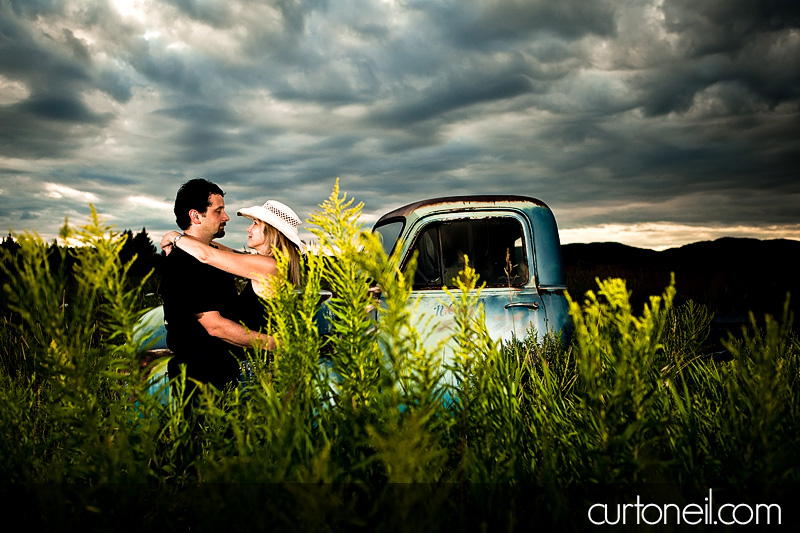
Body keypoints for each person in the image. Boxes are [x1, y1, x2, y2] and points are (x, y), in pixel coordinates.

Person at [160, 179, 275, 399]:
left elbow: (221, 254)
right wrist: (275, 344)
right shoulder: (183, 262)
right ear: (195, 216)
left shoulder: (215, 257)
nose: (226, 217)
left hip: (225, 370)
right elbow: (216, 327)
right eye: (218, 211)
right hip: (201, 378)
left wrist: (175, 237)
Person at [161, 199, 305, 333]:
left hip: (261, 354)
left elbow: (207, 255)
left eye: (255, 223)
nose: (249, 229)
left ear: (272, 232)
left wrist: (175, 237)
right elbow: (222, 250)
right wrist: (184, 240)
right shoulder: (268, 263)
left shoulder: (268, 266)